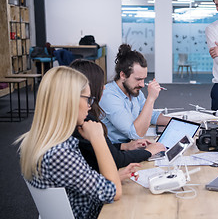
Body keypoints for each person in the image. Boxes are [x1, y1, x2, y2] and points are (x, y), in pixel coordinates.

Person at [17, 66, 139, 218]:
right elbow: (114, 192)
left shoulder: (33, 140)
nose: (90, 105)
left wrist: (114, 176)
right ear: (69, 101)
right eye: (88, 99)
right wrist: (98, 138)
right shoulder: (60, 153)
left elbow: (74, 181)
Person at [70, 59, 166, 172]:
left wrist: (124, 146)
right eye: (138, 79)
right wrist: (148, 151)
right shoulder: (87, 118)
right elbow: (117, 156)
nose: (104, 87)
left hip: (116, 151)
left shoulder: (135, 92)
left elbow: (98, 149)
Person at [99, 44, 170, 143]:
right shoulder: (109, 96)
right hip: (117, 150)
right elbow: (135, 134)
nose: (142, 85)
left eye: (144, 79)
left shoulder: (134, 91)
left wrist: (177, 122)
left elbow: (151, 116)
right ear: (123, 75)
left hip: (132, 145)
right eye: (138, 79)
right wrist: (151, 98)